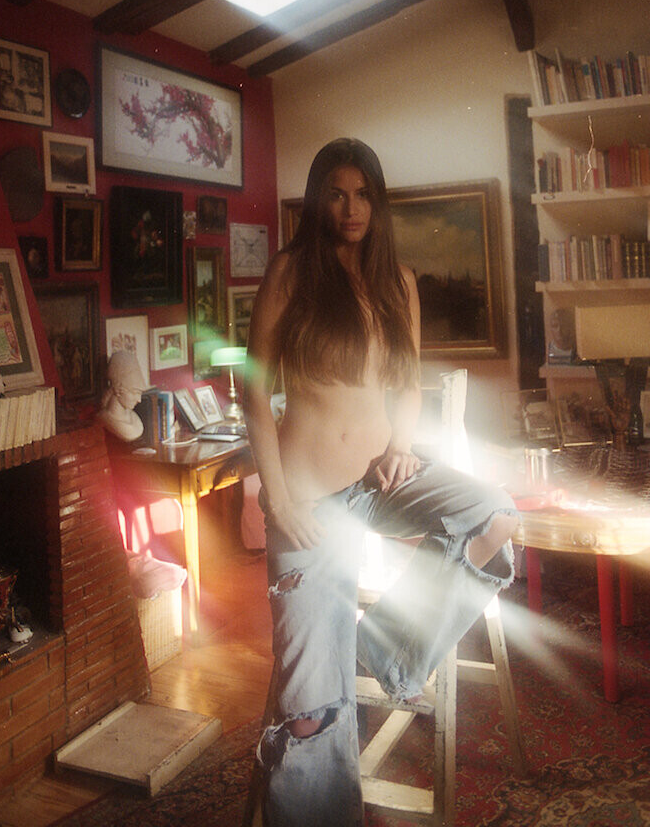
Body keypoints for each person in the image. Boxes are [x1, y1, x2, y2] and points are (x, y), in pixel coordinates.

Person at [243, 138, 518, 827]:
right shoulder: (290, 273)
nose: (351, 207)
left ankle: (386, 652)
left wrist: (401, 445)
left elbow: (406, 384)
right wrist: (279, 501)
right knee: (309, 717)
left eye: (363, 193)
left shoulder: (398, 280)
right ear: (318, 199)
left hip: (382, 482)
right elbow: (253, 392)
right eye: (337, 193)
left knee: (493, 520)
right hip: (308, 504)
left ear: (378, 200)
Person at [97, 350, 147, 441]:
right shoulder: (106, 419)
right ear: (118, 390)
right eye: (135, 392)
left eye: (140, 393)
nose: (139, 400)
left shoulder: (134, 419)